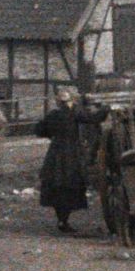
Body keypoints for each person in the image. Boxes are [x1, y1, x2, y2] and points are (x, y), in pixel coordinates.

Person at [33, 87, 106, 232]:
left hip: (55, 152)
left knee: (57, 185)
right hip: (71, 153)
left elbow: (39, 130)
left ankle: (61, 220)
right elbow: (94, 118)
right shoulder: (74, 113)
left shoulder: (53, 114)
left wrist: (52, 135)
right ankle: (64, 220)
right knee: (70, 185)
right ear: (72, 100)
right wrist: (106, 108)